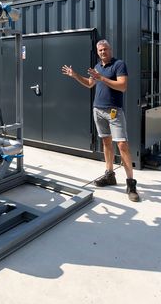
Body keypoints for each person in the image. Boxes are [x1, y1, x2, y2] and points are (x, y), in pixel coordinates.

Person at [61, 39, 140, 202]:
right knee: (106, 142)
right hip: (98, 109)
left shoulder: (119, 65)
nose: (103, 52)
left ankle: (131, 184)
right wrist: (75, 75)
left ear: (110, 50)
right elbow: (90, 84)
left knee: (122, 145)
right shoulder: (97, 67)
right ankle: (110, 175)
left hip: (114, 111)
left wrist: (101, 78)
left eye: (105, 49)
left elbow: (122, 86)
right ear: (97, 53)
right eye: (100, 51)